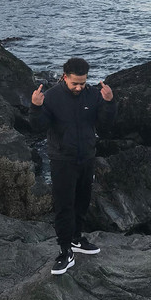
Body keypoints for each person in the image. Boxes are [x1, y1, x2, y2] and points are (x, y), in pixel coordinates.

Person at [30, 57, 116, 275]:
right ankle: (64, 250)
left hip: (87, 157)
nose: (79, 87)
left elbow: (105, 125)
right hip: (62, 159)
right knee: (64, 205)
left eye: (82, 83)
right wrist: (36, 107)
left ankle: (77, 239)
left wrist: (108, 103)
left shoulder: (93, 95)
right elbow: (37, 127)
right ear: (65, 77)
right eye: (75, 83)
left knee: (82, 201)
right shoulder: (51, 97)